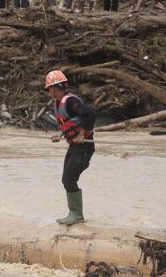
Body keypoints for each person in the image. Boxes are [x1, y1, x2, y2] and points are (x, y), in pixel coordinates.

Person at [45, 70, 95, 226]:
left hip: (84, 147)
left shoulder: (72, 101)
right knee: (66, 179)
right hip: (74, 147)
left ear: (55, 88)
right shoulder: (59, 102)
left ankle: (77, 215)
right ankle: (74, 213)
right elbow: (69, 121)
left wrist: (81, 134)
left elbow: (90, 115)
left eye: (49, 89)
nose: (49, 92)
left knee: (69, 179)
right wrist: (60, 134)